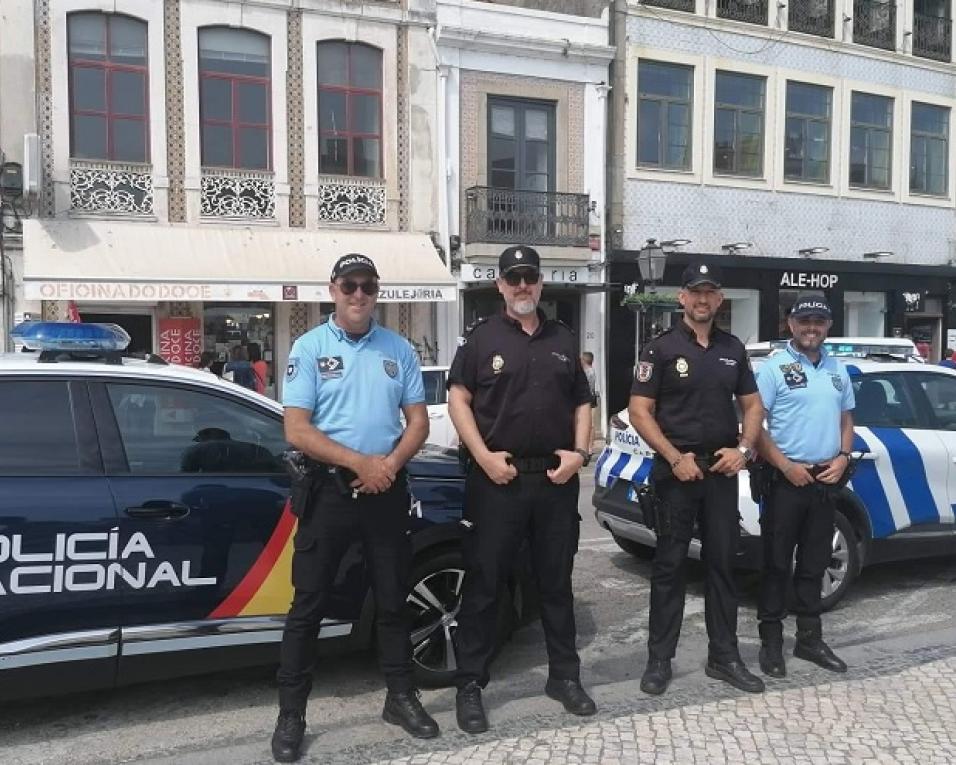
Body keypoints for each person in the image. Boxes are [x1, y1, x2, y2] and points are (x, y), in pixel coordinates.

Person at [270, 253, 436, 763]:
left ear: (376, 291)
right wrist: (359, 463)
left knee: (392, 600)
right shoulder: (309, 347)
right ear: (333, 289)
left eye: (367, 286)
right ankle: (292, 715)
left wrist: (386, 466)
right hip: (331, 494)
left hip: (386, 491)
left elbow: (419, 423)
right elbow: (296, 429)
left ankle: (400, 697)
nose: (359, 295)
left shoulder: (399, 348)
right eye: (350, 285)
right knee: (308, 608)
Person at [448, 244, 597, 734]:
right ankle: (470, 685)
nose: (522, 286)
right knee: (485, 585)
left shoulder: (562, 337)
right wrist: (483, 457)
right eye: (513, 278)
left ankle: (565, 677)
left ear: (540, 281)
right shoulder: (478, 339)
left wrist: (578, 453)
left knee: (555, 584)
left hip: (553, 481)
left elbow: (582, 401)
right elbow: (458, 401)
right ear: (499, 285)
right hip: (497, 480)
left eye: (529, 277)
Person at [628, 261, 765, 696]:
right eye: (694, 292)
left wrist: (743, 450)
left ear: (719, 299)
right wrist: (672, 457)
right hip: (676, 474)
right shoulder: (660, 348)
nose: (702, 300)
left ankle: (724, 657)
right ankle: (658, 661)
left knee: (722, 565)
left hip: (721, 473)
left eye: (710, 292)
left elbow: (754, 406)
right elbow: (639, 411)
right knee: (668, 568)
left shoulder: (733, 348)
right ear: (682, 298)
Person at [753, 293, 854, 678]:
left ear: (828, 326)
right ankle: (771, 644)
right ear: (790, 325)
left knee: (814, 565)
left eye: (819, 321)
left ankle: (809, 639)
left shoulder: (837, 369)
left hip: (825, 481)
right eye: (804, 320)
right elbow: (755, 424)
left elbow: (847, 417)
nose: (812, 327)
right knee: (777, 564)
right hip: (784, 480)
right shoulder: (773, 368)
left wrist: (843, 456)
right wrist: (785, 465)